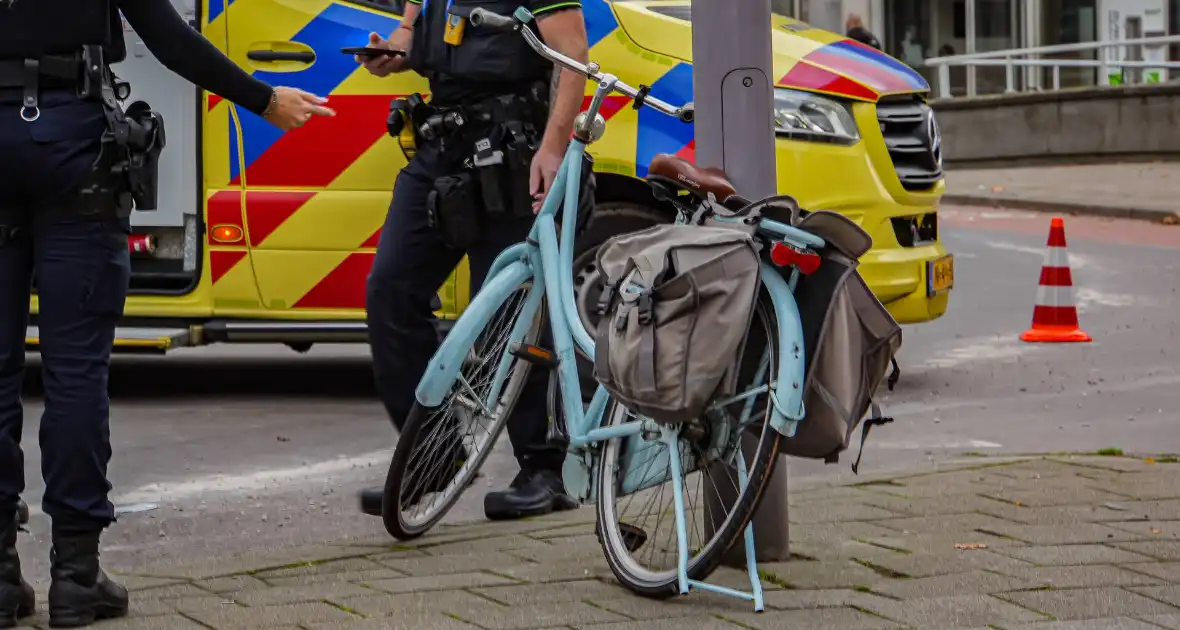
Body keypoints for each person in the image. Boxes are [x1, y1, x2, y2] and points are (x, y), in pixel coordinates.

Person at [0, 0, 332, 627]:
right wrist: (262, 99)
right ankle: (76, 577)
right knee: (75, 373)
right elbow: (169, 38)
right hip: (71, 145)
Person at [355, 0, 590, 522]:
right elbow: (446, 42)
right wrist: (398, 52)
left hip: (512, 150)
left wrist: (553, 147)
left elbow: (573, 53)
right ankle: (433, 456)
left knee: (512, 316)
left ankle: (545, 468)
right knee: (391, 291)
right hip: (443, 147)